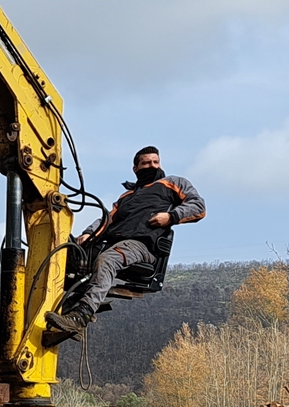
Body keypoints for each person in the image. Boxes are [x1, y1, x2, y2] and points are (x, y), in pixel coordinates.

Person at [44, 145, 204, 343]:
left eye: (156, 162)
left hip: (141, 245)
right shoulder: (127, 196)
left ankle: (81, 316)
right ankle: (65, 312)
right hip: (114, 242)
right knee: (71, 254)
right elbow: (107, 219)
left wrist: (171, 216)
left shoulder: (172, 183)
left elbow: (198, 206)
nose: (152, 166)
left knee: (108, 260)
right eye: (146, 163)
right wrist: (88, 234)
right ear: (136, 169)